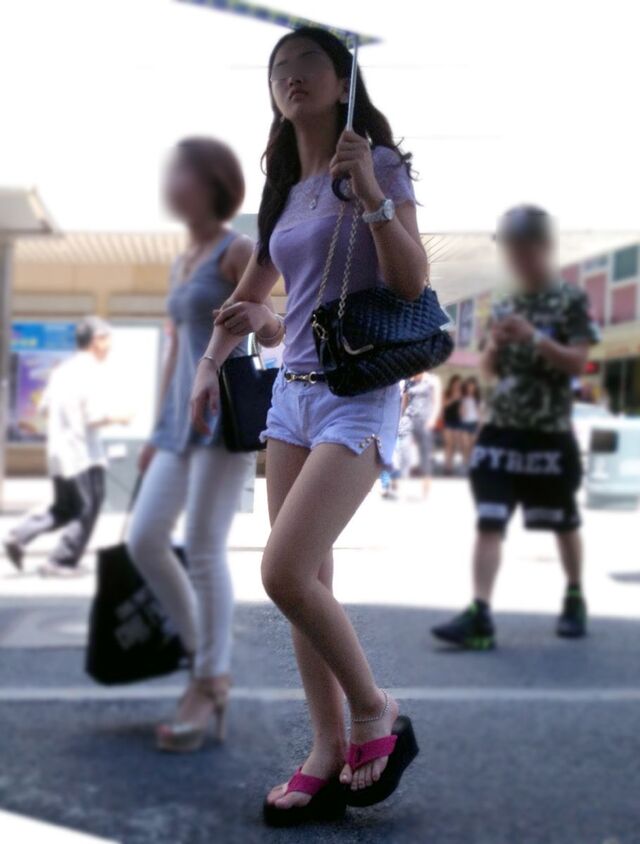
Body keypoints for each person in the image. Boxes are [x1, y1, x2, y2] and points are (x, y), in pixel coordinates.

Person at [190, 28, 425, 825]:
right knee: (309, 584)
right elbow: (256, 297)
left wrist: (374, 196)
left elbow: (411, 281)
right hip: (290, 395)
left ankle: (374, 709)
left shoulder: (377, 164)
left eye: (308, 65)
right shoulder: (285, 191)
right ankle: (326, 753)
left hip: (358, 391)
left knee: (282, 572)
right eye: (279, 70)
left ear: (343, 81)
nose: (291, 78)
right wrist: (214, 358)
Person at [126, 137, 270, 751]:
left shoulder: (237, 250)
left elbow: (275, 322)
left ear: (211, 181)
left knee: (206, 551)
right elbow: (174, 350)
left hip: (222, 419)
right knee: (144, 539)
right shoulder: (182, 261)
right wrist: (156, 430)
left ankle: (210, 680)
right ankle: (202, 655)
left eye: (181, 171)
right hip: (176, 428)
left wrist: (263, 320)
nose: (171, 182)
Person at [432, 205, 600, 650]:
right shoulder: (504, 303)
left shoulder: (570, 300)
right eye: (510, 249)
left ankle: (574, 596)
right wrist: (494, 347)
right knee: (489, 519)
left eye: (523, 248)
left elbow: (578, 362)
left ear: (543, 246)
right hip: (501, 429)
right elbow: (489, 372)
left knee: (562, 520)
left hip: (548, 431)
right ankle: (480, 615)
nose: (516, 257)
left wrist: (533, 337)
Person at [3, 317, 126, 577]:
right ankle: (61, 561)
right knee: (88, 507)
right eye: (108, 339)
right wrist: (120, 418)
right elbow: (93, 417)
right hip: (82, 454)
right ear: (97, 340)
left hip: (58, 452)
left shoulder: (63, 370)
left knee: (65, 507)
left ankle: (19, 535)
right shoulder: (92, 371)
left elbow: (43, 408)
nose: (110, 346)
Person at [402, 371, 442, 497]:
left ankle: (426, 485)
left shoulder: (432, 380)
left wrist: (432, 420)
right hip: (409, 418)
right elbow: (404, 402)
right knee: (402, 449)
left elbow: (437, 402)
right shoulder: (408, 381)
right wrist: (402, 418)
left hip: (425, 420)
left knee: (425, 454)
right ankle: (396, 483)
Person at [442, 374, 463, 474]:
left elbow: (462, 410)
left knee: (454, 445)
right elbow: (444, 405)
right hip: (448, 421)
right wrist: (453, 399)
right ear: (452, 384)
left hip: (458, 421)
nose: (457, 385)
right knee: (448, 444)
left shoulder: (462, 394)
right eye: (455, 383)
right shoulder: (447, 393)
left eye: (459, 384)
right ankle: (447, 466)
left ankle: (451, 465)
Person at [459, 376, 482, 466]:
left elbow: (480, 414)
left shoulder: (478, 399)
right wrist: (462, 409)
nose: (471, 388)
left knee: (473, 446)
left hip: (474, 424)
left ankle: (471, 463)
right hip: (465, 423)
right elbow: (461, 413)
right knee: (465, 445)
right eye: (469, 386)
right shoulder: (463, 398)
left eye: (472, 386)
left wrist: (480, 426)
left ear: (475, 387)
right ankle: (465, 463)